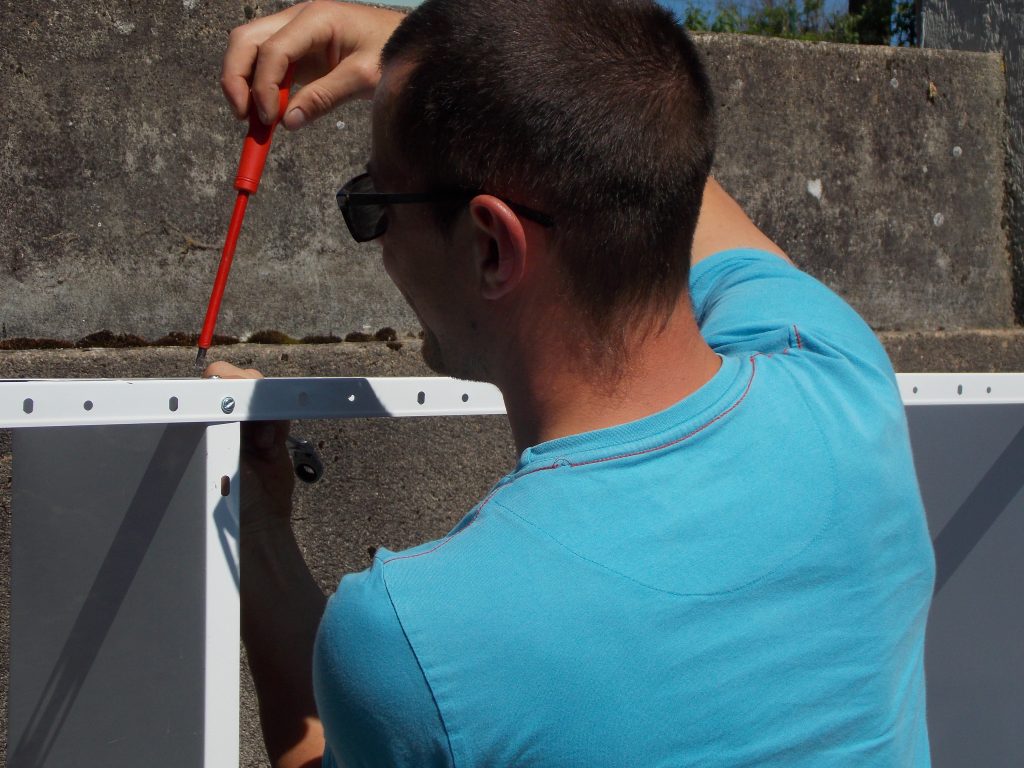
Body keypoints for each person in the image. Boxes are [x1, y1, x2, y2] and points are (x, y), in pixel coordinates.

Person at [208, 1, 936, 766]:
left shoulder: (420, 635)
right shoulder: (840, 377)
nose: (378, 242)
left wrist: (257, 533)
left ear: (492, 248)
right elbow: (653, 163)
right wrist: (435, 54)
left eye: (373, 204)